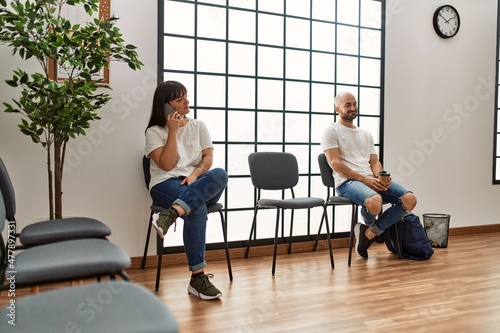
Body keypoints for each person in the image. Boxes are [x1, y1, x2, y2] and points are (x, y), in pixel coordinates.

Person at [145, 80, 228, 300]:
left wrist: (194, 175)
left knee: (220, 173)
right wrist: (173, 131)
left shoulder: (198, 126)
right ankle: (198, 278)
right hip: (166, 184)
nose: (186, 102)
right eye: (179, 99)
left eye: (186, 97)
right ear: (165, 106)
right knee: (197, 207)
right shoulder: (154, 132)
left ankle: (170, 213)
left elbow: (208, 158)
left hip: (195, 182)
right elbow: (167, 165)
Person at [321, 91, 417, 259]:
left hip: (369, 179)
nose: (353, 108)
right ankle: (373, 229)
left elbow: (374, 162)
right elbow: (335, 164)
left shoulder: (366, 134)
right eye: (347, 105)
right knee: (375, 202)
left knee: (410, 200)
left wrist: (380, 176)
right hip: (347, 182)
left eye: (355, 104)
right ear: (337, 108)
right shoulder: (331, 131)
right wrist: (364, 179)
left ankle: (369, 234)